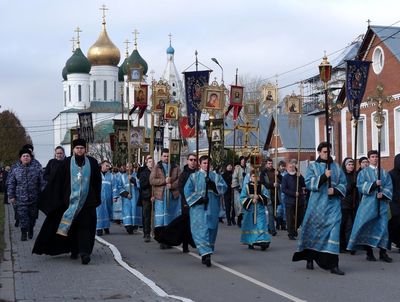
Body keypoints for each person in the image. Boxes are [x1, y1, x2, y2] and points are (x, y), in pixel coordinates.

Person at [33, 139, 101, 265]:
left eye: (81, 148)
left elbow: (97, 182)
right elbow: (57, 182)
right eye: (77, 148)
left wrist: (97, 198)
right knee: (72, 227)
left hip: (88, 202)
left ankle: (85, 253)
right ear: (73, 149)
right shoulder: (66, 163)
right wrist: (57, 200)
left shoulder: (92, 162)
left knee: (86, 227)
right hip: (69, 202)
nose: (79, 150)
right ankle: (74, 249)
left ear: (85, 149)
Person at [292, 142, 346, 275]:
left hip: (333, 207)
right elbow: (308, 183)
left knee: (333, 234)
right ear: (319, 152)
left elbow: (344, 184)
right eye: (324, 152)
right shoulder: (313, 167)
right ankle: (310, 258)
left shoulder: (337, 167)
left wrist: (336, 190)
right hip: (317, 207)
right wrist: (323, 177)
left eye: (328, 152)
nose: (327, 154)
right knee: (313, 232)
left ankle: (334, 265)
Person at [347, 150, 393, 262]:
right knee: (368, 227)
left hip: (381, 205)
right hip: (368, 204)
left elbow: (389, 186)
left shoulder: (383, 172)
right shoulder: (363, 173)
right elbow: (360, 186)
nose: (375, 158)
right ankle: (369, 252)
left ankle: (383, 253)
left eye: (376, 156)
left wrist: (383, 194)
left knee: (383, 228)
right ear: (369, 159)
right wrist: (373, 185)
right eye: (372, 157)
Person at [184, 155, 227, 266]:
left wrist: (213, 185)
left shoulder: (216, 176)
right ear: (200, 164)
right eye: (204, 163)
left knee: (211, 229)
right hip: (198, 209)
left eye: (208, 163)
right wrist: (199, 199)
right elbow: (187, 190)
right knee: (200, 229)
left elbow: (224, 188)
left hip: (212, 207)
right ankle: (205, 254)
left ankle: (207, 252)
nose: (206, 165)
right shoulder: (194, 177)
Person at [7, 148, 43, 241]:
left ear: (30, 158)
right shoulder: (16, 170)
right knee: (23, 216)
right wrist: (11, 196)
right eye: (24, 156)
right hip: (20, 199)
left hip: (34, 198)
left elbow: (42, 183)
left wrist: (43, 195)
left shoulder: (36, 169)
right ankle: (23, 233)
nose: (26, 157)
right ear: (20, 158)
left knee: (33, 217)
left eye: (28, 156)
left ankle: (31, 229)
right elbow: (11, 183)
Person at [149, 148, 181, 249]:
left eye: (168, 156)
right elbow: (152, 180)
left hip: (172, 197)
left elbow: (180, 179)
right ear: (161, 156)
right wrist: (164, 181)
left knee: (171, 219)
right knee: (161, 219)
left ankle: (169, 240)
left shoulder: (175, 166)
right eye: (164, 156)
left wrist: (172, 184)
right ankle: (162, 240)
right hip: (161, 197)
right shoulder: (157, 167)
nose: (166, 158)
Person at [240, 170, 271, 250]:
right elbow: (242, 198)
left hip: (260, 210)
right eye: (254, 176)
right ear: (250, 177)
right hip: (250, 210)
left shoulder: (262, 186)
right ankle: (251, 241)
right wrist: (251, 200)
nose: (255, 178)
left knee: (261, 225)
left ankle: (262, 241)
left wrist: (259, 197)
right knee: (250, 226)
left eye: (257, 176)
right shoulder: (246, 186)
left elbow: (267, 197)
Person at [281, 159, 306, 240]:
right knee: (290, 218)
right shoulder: (285, 177)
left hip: (299, 201)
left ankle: (295, 229)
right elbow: (284, 189)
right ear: (287, 168)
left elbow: (303, 184)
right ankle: (291, 233)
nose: (292, 168)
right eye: (290, 167)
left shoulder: (298, 176)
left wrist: (300, 176)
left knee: (300, 217)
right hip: (289, 201)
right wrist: (293, 193)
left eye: (293, 166)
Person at [339, 158, 358, 252]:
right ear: (345, 166)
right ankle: (342, 245)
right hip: (344, 203)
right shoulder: (342, 176)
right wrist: (351, 186)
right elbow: (343, 190)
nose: (351, 166)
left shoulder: (355, 175)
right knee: (344, 224)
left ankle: (349, 245)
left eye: (352, 164)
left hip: (353, 204)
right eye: (349, 164)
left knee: (350, 225)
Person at [118, 162, 142, 234]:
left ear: (132, 167)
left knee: (135, 211)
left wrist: (132, 179)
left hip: (135, 197)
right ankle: (128, 226)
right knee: (127, 212)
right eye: (127, 167)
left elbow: (140, 185)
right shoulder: (122, 176)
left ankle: (135, 225)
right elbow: (119, 187)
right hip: (126, 199)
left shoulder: (136, 175)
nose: (129, 168)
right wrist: (126, 194)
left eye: (130, 166)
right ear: (126, 167)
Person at [260, 158, 282, 236]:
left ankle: (269, 226)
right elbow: (263, 183)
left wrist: (278, 175)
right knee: (271, 212)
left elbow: (282, 180)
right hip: (268, 194)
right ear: (266, 164)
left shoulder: (275, 171)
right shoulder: (263, 173)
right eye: (269, 163)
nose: (270, 165)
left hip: (276, 195)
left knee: (274, 212)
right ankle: (273, 230)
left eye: (271, 163)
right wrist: (272, 185)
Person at [138, 156, 154, 242]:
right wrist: (150, 180)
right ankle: (146, 233)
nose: (151, 163)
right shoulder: (143, 173)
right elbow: (142, 185)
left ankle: (154, 232)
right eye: (149, 161)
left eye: (152, 161)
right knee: (146, 216)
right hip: (146, 196)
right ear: (147, 163)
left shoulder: (156, 171)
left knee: (155, 215)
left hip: (155, 196)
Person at [96, 160, 113, 236]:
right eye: (106, 166)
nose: (107, 167)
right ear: (102, 165)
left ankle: (106, 227)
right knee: (99, 213)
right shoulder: (97, 174)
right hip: (99, 197)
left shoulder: (111, 175)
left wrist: (115, 196)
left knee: (107, 212)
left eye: (108, 166)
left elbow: (114, 187)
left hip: (108, 197)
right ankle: (99, 228)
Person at [232, 156, 249, 227]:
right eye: (242, 160)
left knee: (246, 205)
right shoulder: (237, 168)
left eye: (244, 160)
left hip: (247, 189)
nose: (243, 161)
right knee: (239, 205)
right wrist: (237, 186)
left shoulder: (248, 168)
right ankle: (239, 220)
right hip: (239, 189)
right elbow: (234, 178)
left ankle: (245, 220)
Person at [388, 153, 400, 251]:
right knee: (395, 222)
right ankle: (392, 240)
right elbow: (389, 188)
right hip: (394, 202)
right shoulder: (391, 174)